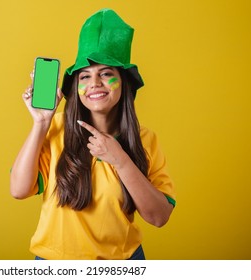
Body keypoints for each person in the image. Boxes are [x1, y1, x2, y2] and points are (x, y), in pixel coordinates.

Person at [10, 8, 176, 260]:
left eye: (106, 73)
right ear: (76, 87)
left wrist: (120, 159)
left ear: (124, 82)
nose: (94, 84)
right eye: (84, 76)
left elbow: (159, 216)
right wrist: (40, 123)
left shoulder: (145, 139)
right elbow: (19, 190)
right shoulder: (55, 128)